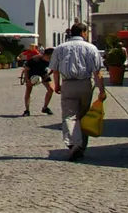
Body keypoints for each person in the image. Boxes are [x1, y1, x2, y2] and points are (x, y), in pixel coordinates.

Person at [48, 22, 105, 162]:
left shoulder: (60, 48)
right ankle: (82, 147)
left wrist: (57, 85)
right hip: (85, 84)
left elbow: (54, 70)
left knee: (69, 116)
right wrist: (101, 91)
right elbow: (97, 72)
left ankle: (74, 143)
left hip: (68, 84)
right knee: (83, 115)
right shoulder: (91, 48)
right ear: (83, 33)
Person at [20, 47, 54, 116]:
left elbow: (54, 69)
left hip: (43, 74)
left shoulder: (52, 60)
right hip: (32, 74)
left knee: (50, 89)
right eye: (51, 56)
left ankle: (45, 108)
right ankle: (27, 110)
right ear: (47, 55)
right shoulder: (36, 59)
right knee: (28, 91)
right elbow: (26, 69)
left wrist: (48, 75)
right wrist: (27, 80)